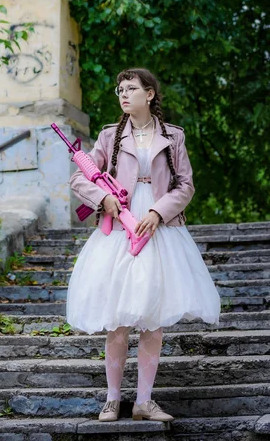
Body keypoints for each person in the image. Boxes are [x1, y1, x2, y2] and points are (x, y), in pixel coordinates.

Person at [67, 67, 221, 423]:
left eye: (131, 88)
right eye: (120, 89)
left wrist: (158, 210)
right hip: (120, 227)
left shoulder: (173, 136)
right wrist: (103, 198)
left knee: (153, 320)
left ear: (149, 94)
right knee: (117, 319)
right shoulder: (109, 136)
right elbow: (80, 176)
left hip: (159, 229)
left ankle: (144, 402)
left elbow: (185, 185)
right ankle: (112, 399)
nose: (123, 94)